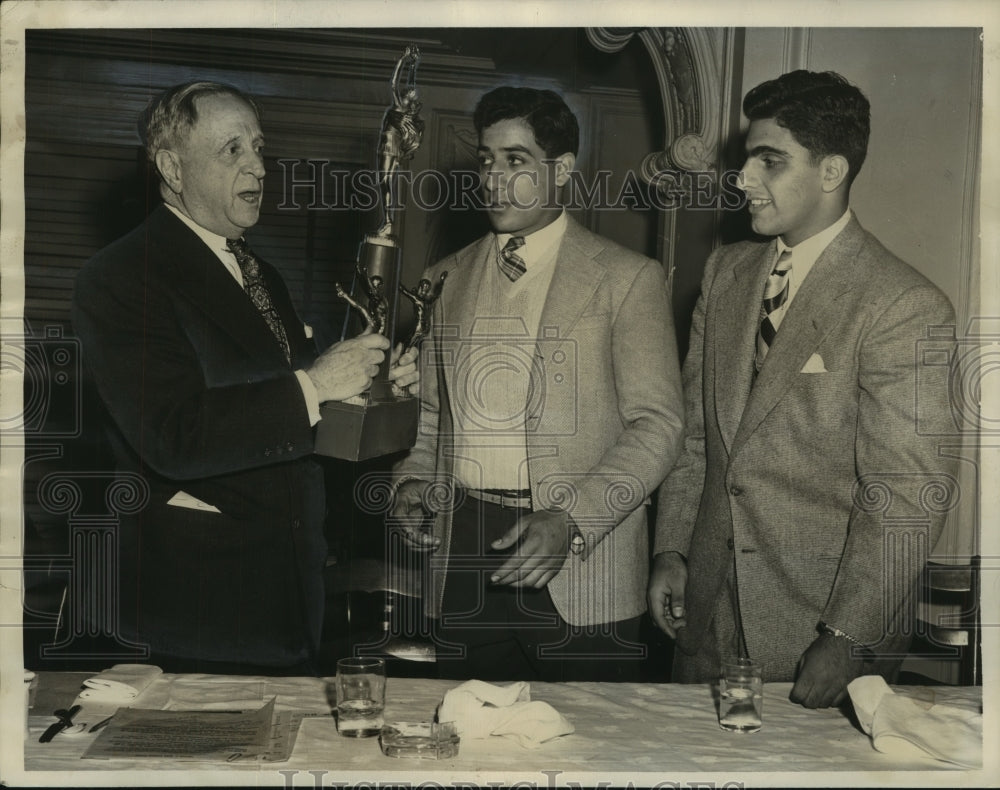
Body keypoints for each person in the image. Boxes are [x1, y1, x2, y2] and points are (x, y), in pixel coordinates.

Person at [72, 81, 418, 673]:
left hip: (284, 600)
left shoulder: (262, 275)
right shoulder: (123, 276)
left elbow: (281, 426)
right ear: (171, 168)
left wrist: (364, 390)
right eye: (232, 149)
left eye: (259, 147)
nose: (258, 165)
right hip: (191, 613)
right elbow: (173, 434)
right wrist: (314, 386)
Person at [647, 70, 957, 707]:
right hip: (703, 616)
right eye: (744, 160)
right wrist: (673, 550)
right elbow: (697, 439)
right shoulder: (725, 271)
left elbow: (904, 494)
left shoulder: (902, 303)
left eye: (770, 161)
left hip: (818, 629)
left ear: (831, 170)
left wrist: (846, 634)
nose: (742, 179)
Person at [390, 86, 684, 682]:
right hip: (463, 553)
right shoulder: (442, 278)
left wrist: (572, 520)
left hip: (583, 561)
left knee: (591, 757)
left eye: (517, 161)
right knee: (470, 748)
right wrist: (413, 484)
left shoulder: (628, 279)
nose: (495, 179)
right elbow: (431, 421)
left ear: (561, 170)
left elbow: (659, 426)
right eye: (486, 160)